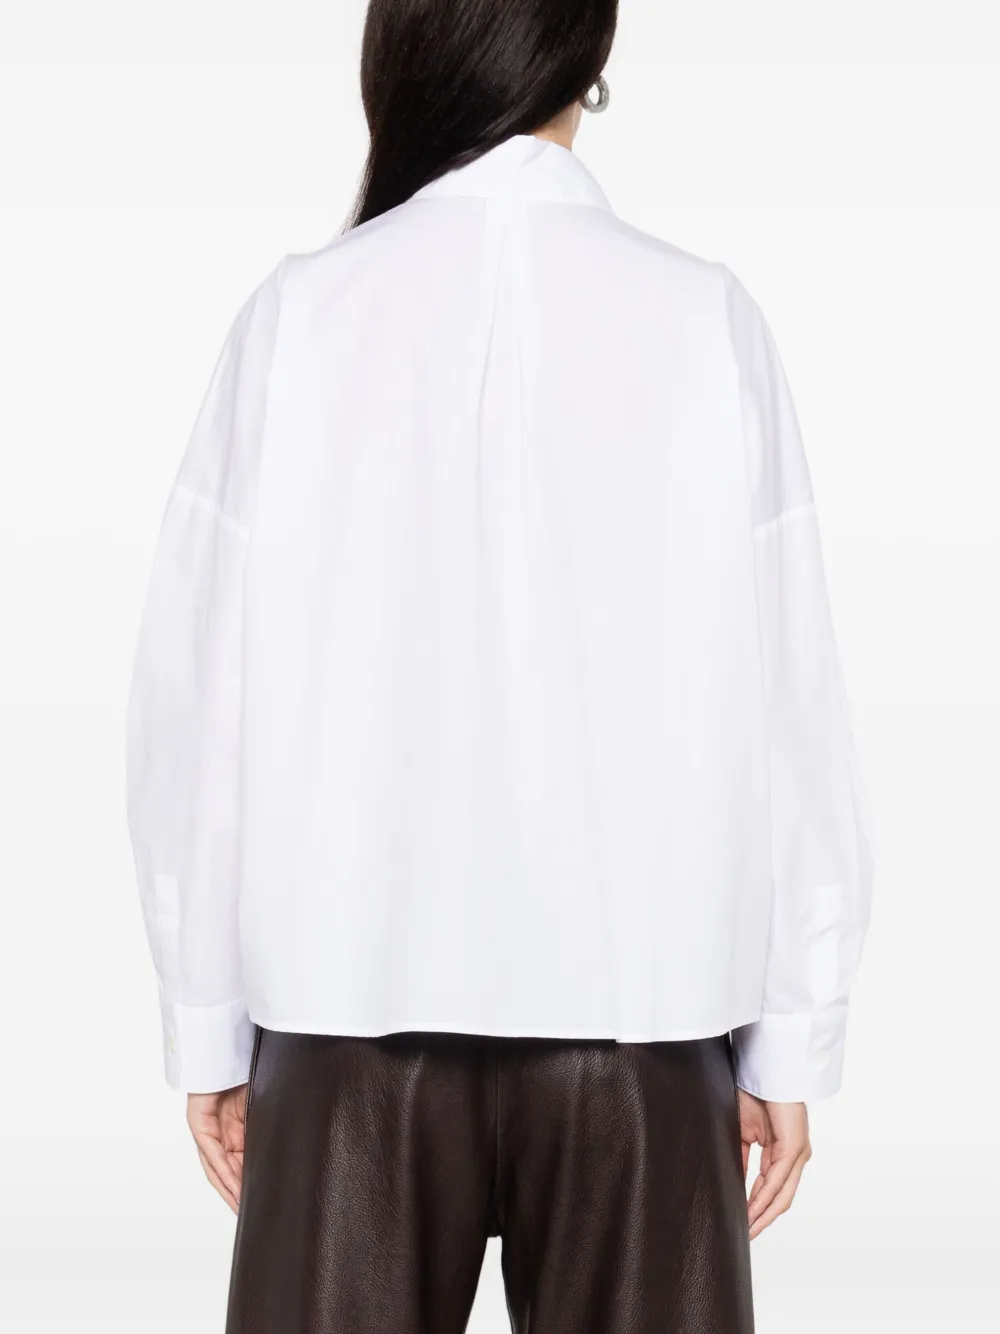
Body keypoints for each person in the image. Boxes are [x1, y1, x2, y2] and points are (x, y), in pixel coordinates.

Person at [126, 1, 873, 1330]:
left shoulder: (302, 312)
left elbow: (197, 702)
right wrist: (792, 1032)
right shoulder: (705, 317)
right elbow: (793, 706)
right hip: (644, 1022)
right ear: (591, 60)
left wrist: (207, 1018)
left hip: (346, 1018)